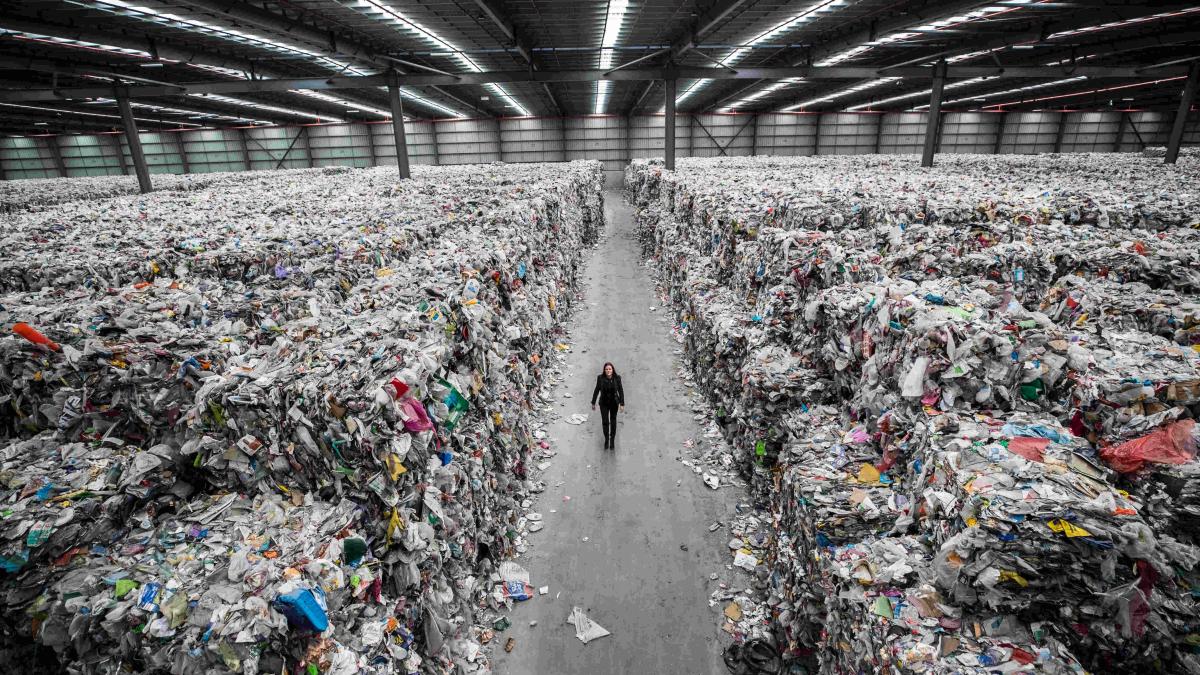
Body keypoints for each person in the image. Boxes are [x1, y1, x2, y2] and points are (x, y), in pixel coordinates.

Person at [590, 362, 625, 448]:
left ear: (612, 370)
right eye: (606, 369)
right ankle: (606, 439)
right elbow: (596, 390)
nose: (608, 371)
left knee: (613, 421)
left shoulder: (617, 378)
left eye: (610, 369)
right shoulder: (600, 378)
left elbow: (620, 391)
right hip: (604, 404)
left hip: (614, 403)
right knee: (605, 422)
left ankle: (612, 440)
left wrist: (622, 403)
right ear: (604, 370)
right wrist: (593, 402)